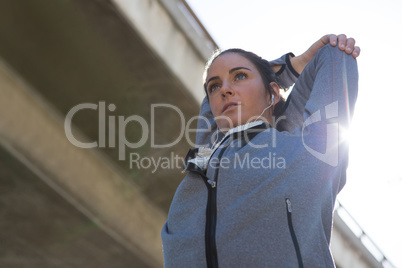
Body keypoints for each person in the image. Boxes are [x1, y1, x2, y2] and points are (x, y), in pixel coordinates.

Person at [161, 34, 360, 268]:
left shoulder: (310, 154)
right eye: (215, 86)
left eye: (240, 76)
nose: (224, 90)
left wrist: (294, 65)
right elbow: (208, 103)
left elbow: (333, 56)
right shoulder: (204, 154)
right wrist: (278, 71)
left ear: (274, 93)